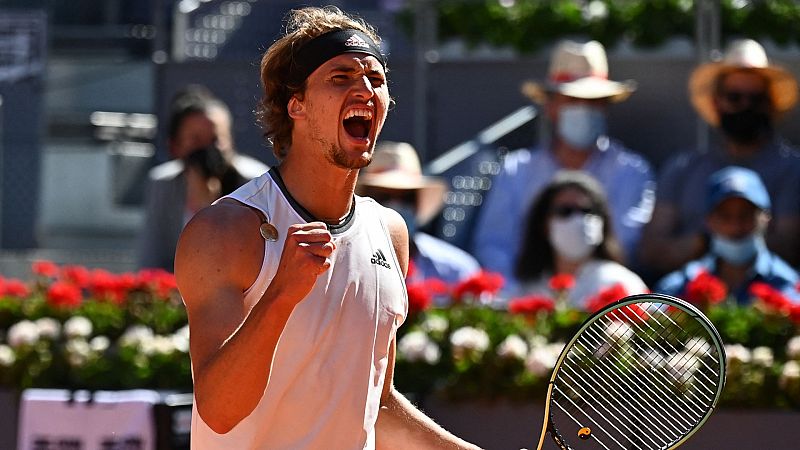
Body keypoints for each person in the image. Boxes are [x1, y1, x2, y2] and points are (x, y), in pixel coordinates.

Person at [174, 6, 481, 449]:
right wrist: (282, 292)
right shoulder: (223, 231)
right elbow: (219, 412)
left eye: (375, 80)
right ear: (295, 104)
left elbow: (379, 404)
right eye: (340, 78)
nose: (365, 90)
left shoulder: (389, 231)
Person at [471, 39, 655, 292]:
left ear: (606, 107)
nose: (583, 109)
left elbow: (625, 244)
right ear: (550, 106)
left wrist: (585, 295)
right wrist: (523, 296)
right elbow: (493, 245)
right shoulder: (516, 169)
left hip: (604, 304)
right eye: (572, 100)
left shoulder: (632, 171)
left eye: (594, 101)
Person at [640, 39, 800, 277]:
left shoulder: (793, 169)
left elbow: (790, 246)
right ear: (717, 103)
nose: (746, 106)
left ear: (769, 104)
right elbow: (652, 250)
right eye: (735, 98)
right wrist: (707, 244)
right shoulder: (682, 167)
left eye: (755, 99)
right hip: (688, 303)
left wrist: (733, 246)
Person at [136, 86, 268, 271]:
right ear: (175, 146)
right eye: (195, 140)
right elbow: (152, 257)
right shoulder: (163, 184)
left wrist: (210, 207)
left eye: (215, 140)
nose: (207, 150)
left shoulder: (256, 184)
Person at [656, 166, 800, 304]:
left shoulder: (789, 288)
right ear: (709, 221)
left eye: (746, 215)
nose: (735, 226)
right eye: (725, 216)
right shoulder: (677, 288)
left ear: (766, 218)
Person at [513, 170, 648, 308]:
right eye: (565, 211)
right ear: (544, 224)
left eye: (587, 211)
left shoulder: (621, 283)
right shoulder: (529, 288)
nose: (577, 219)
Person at [357, 141, 480, 287]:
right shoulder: (344, 264)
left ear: (418, 203)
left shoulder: (458, 271)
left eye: (407, 198)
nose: (396, 207)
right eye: (384, 197)